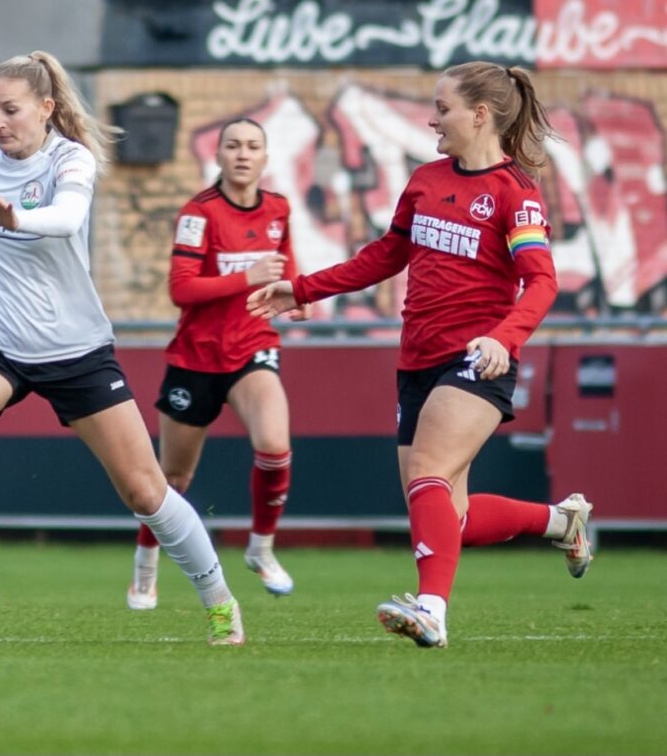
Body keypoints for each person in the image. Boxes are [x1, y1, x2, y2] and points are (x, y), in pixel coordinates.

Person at [0, 51, 245, 646]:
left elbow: (66, 218)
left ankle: (220, 601)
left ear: (45, 108)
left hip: (76, 350)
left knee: (145, 491)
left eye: (10, 110)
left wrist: (18, 219)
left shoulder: (70, 159)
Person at [248, 61, 593, 648]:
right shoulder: (427, 179)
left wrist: (502, 340)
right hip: (417, 360)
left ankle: (432, 608)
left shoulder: (517, 195)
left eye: (443, 107)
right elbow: (387, 254)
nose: (433, 119)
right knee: (441, 511)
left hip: (476, 360)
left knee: (428, 473)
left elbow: (542, 283)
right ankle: (562, 522)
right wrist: (304, 288)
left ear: (479, 115)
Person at [129, 118, 308, 611]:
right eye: (233, 146)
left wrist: (295, 291)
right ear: (220, 156)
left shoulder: (278, 208)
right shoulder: (198, 213)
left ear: (265, 157)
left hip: (253, 347)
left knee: (274, 445)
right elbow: (181, 290)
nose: (243, 154)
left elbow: (284, 260)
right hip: (196, 358)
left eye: (253, 146)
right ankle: (145, 565)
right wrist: (246, 276)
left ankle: (261, 549)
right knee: (173, 480)